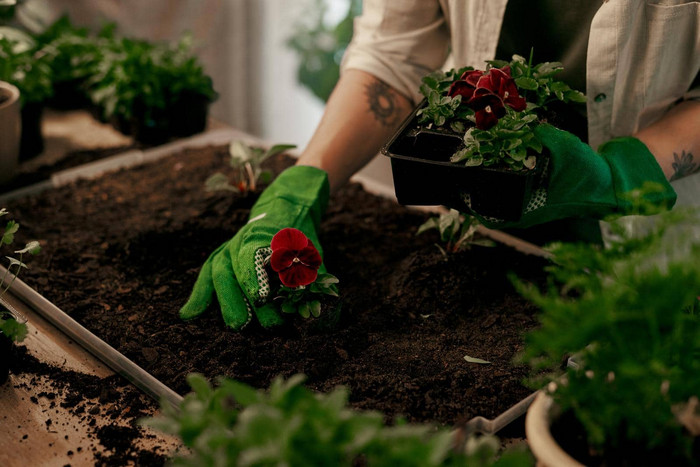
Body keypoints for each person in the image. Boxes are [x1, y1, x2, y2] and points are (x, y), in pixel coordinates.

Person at [180, 0, 700, 330]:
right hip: (487, 232)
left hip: (662, 234)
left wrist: (623, 172)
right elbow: (394, 52)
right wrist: (302, 180)